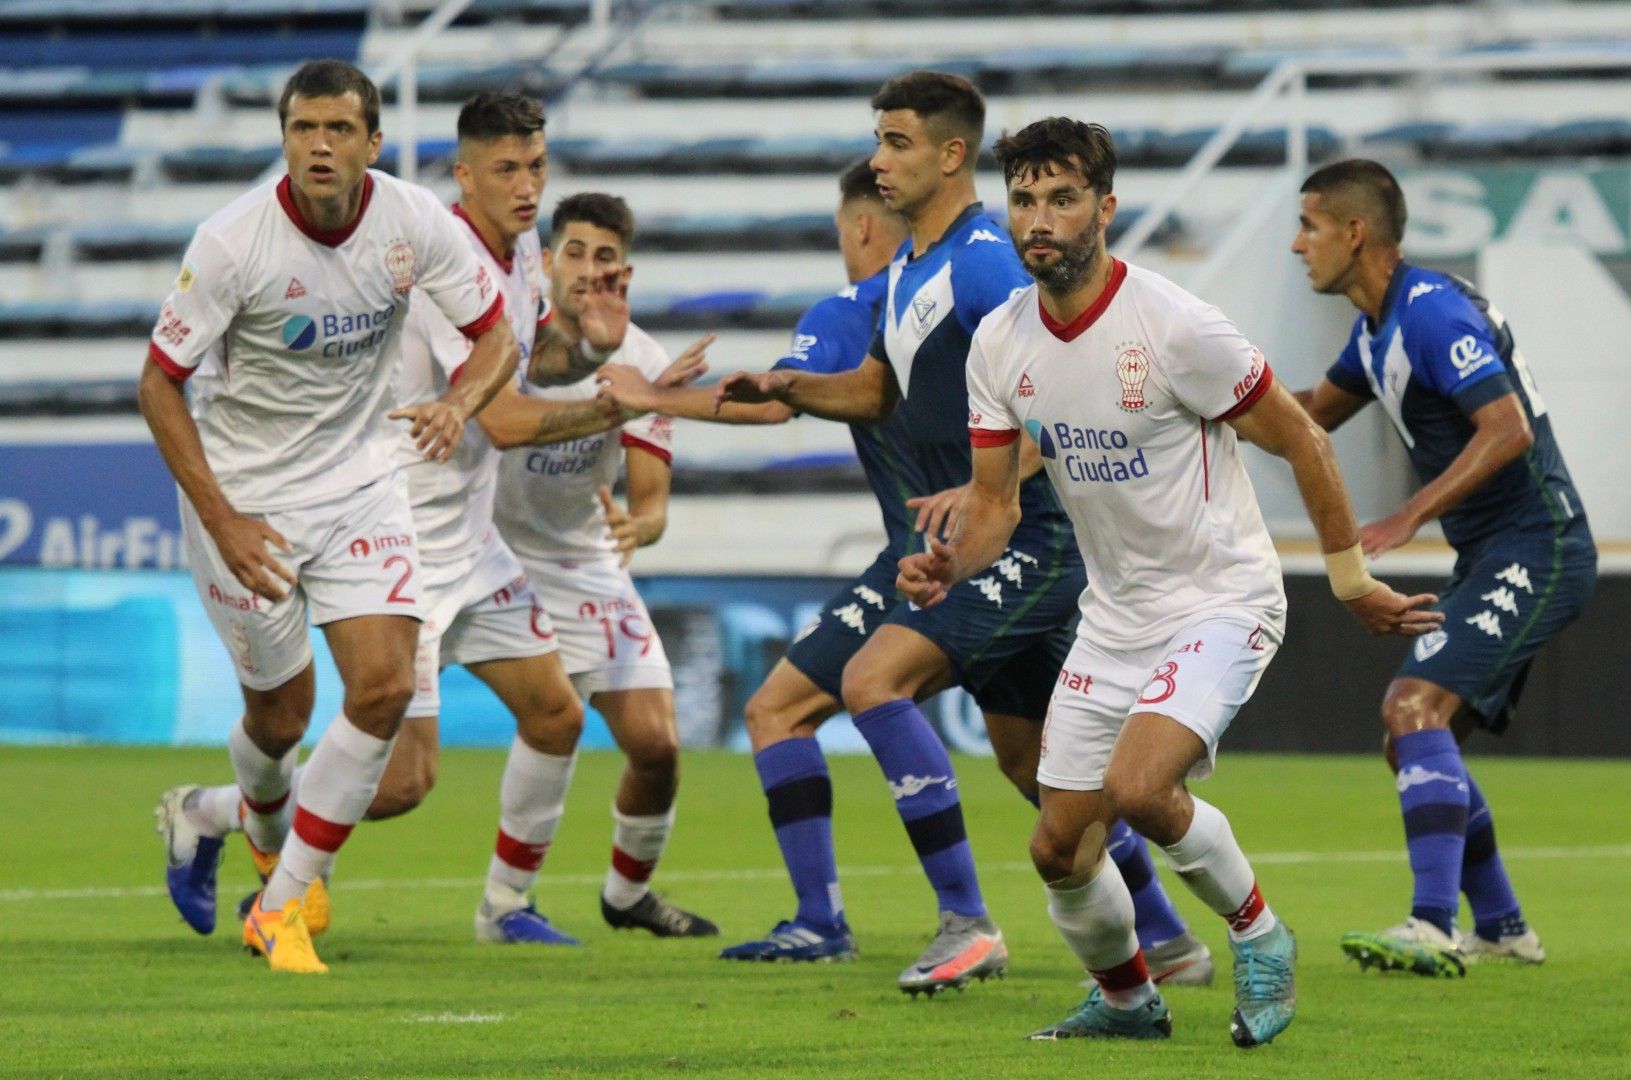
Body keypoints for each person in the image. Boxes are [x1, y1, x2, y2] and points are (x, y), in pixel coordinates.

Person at [598, 159, 1207, 983]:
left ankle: (952, 920)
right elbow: (845, 394)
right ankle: (1166, 940)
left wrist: (652, 396)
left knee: (858, 687)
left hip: (994, 546)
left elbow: (784, 401)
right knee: (1030, 768)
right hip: (940, 550)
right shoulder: (934, 289)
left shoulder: (876, 299)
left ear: (857, 226)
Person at [900, 117, 1440, 1044]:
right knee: (1057, 848)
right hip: (1115, 618)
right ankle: (1127, 1000)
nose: (1040, 220)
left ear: (1105, 210)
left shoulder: (1175, 326)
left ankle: (1261, 936)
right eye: (1025, 200)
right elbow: (994, 505)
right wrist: (953, 561)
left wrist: (1348, 579)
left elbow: (1302, 435)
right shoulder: (999, 342)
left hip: (1221, 598)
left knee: (1144, 791)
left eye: (1062, 199)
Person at [144, 59, 518, 973]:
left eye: (339, 130)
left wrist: (460, 405)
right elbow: (160, 384)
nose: (319, 145)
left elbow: (497, 332)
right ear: (284, 137)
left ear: (372, 143)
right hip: (249, 501)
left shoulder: (412, 220)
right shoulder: (234, 243)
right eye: (304, 128)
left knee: (384, 689)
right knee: (280, 721)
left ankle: (278, 906)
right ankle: (212, 815)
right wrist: (224, 519)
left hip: (361, 482)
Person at [1288, 158, 1598, 976]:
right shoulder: (1377, 329)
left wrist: (1409, 512)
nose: (1297, 245)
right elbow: (1303, 418)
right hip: (1496, 555)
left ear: (1356, 233)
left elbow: (1507, 430)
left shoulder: (1429, 314)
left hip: (1541, 547)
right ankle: (1500, 925)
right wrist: (1192, 403)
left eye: (1310, 225)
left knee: (1411, 706)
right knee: (1417, 742)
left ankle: (1431, 925)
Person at [490, 191, 718, 938]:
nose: (590, 269)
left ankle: (625, 896)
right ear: (548, 259)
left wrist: (636, 529)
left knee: (657, 746)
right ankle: (284, 857)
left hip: (579, 558)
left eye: (606, 257)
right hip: (474, 546)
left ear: (627, 270)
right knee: (400, 763)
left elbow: (651, 502)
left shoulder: (644, 360)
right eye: (576, 253)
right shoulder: (502, 338)